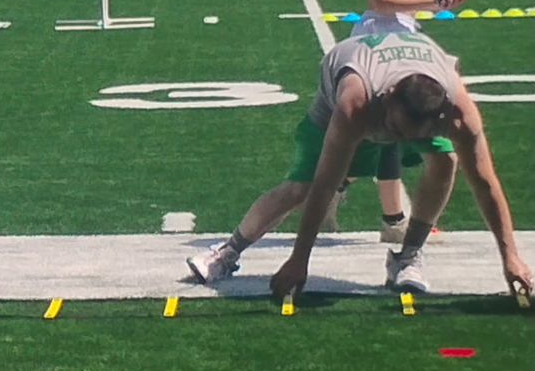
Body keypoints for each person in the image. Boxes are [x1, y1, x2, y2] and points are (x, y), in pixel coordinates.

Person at [186, 32, 530, 302]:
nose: (396, 140)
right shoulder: (355, 101)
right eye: (395, 130)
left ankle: (408, 256)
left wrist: (511, 258)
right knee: (302, 186)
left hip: (406, 89)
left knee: (444, 161)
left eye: (412, 134)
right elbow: (326, 183)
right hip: (347, 77)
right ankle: (227, 252)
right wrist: (299, 259)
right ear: (388, 96)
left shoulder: (458, 113)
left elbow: (485, 182)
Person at [336, 0, 475, 241]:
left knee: (389, 131)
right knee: (397, 127)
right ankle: (389, 216)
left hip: (404, 29)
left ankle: (369, 203)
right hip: (382, 35)